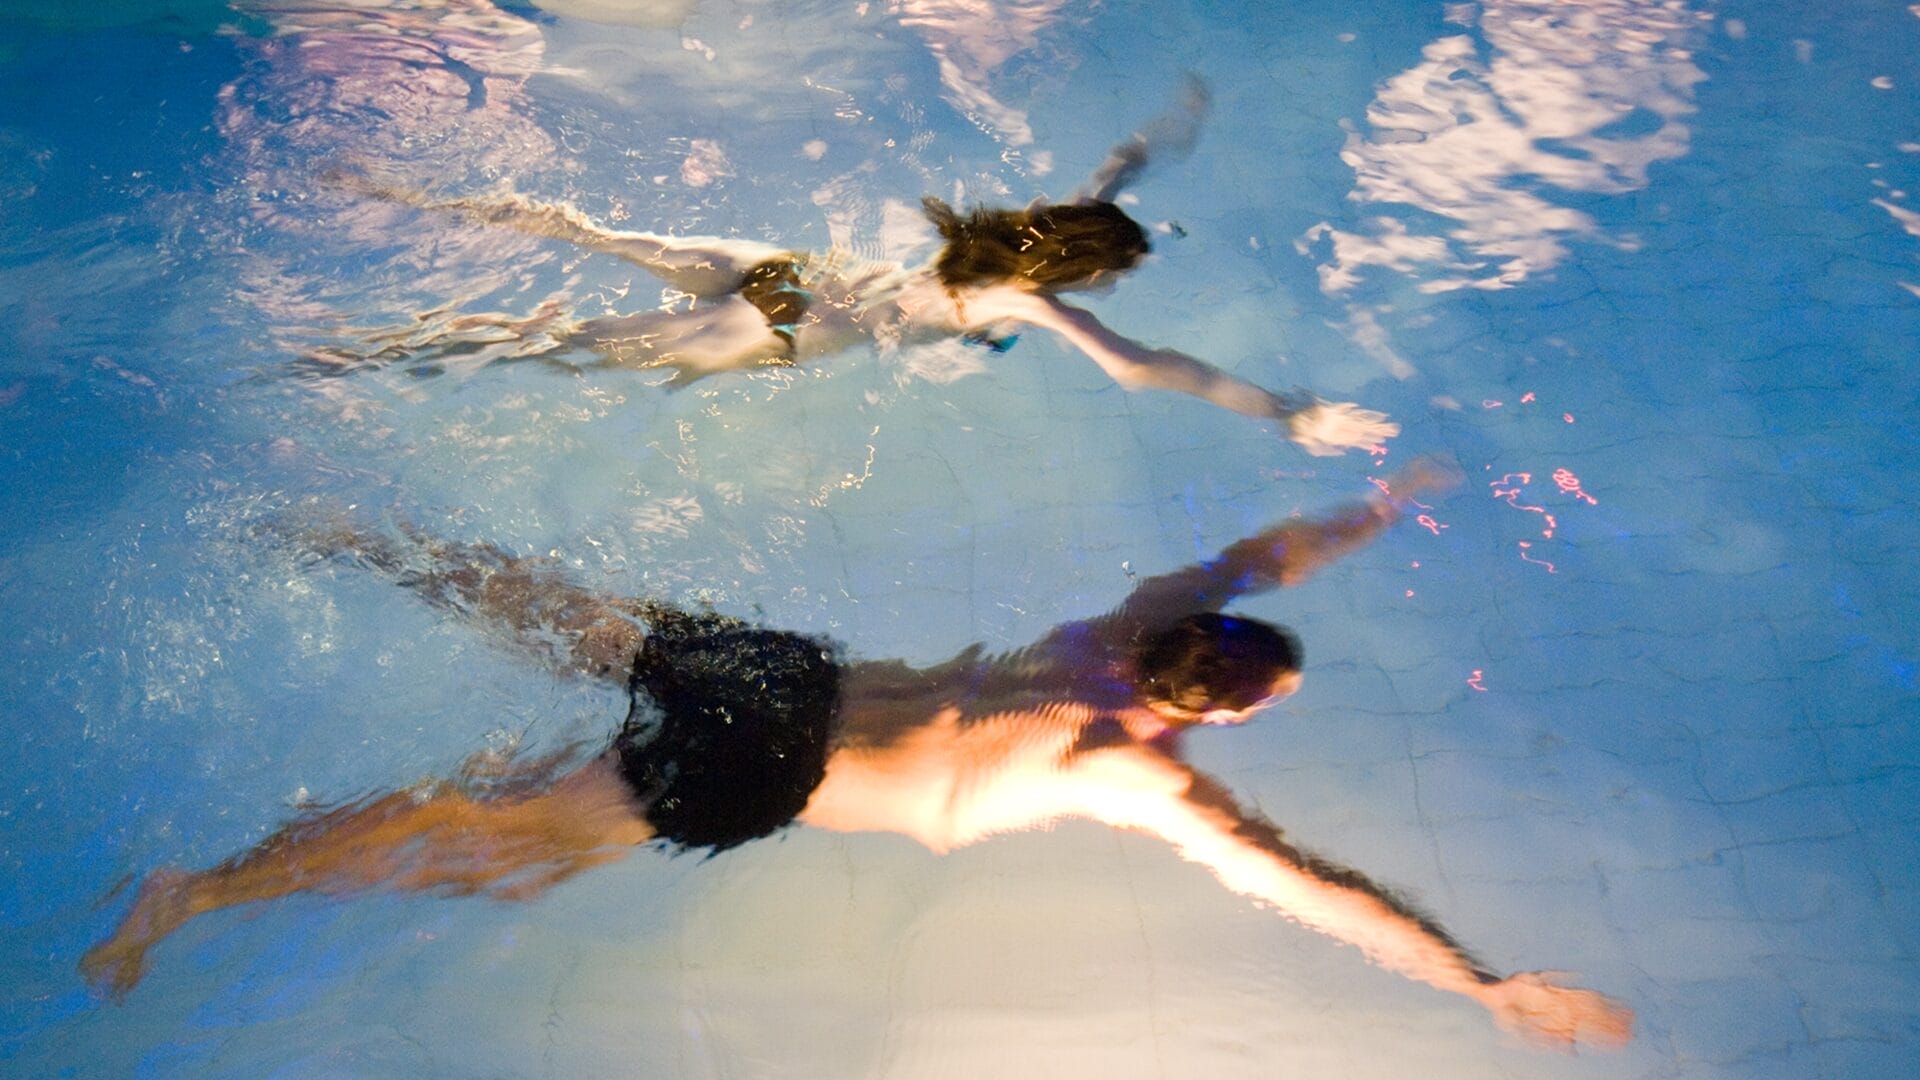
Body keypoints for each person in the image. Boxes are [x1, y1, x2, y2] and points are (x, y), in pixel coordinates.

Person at [81, 461, 1631, 1049]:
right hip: (768, 778)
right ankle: (195, 896)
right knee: (503, 858)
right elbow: (1310, 889)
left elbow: (1251, 558)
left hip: (786, 678)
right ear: (1216, 711)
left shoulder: (1130, 625)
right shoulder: (1133, 774)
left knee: (554, 615)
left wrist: (1372, 511)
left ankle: (362, 538)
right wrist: (1477, 984)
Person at [311, 81, 1400, 457]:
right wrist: (1287, 410)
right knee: (557, 350)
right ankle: (346, 357)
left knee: (593, 232)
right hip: (791, 330)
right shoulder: (1025, 295)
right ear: (1078, 276)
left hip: (789, 269)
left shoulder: (1027, 234)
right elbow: (1147, 369)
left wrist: (1152, 142)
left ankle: (396, 194)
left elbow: (1108, 176)